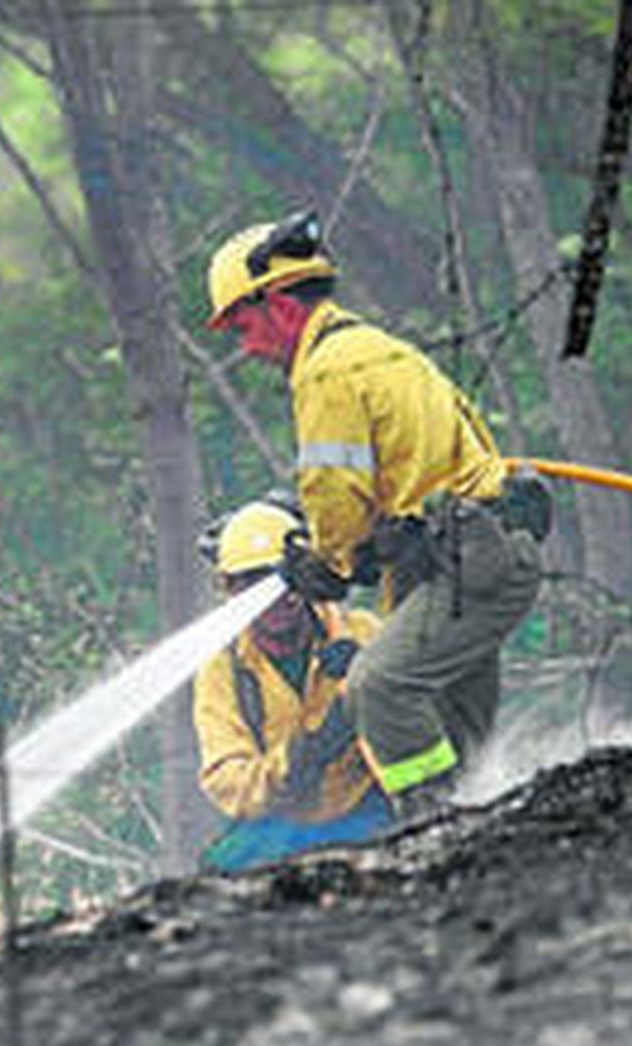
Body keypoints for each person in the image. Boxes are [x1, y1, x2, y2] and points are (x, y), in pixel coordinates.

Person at [204, 210, 548, 816]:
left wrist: (329, 561)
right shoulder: (380, 350)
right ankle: (479, 819)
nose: (248, 348)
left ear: (278, 305)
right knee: (451, 717)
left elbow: (333, 486)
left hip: (468, 560)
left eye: (243, 327)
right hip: (473, 555)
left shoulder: (325, 371)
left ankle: (432, 817)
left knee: (379, 686)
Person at [194, 498, 394, 873]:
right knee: (217, 872)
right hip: (281, 825)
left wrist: (368, 678)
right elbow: (228, 782)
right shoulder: (224, 671)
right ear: (231, 589)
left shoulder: (359, 632)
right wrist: (304, 755)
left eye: (286, 577)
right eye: (255, 582)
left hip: (363, 809)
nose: (279, 595)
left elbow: (424, 718)